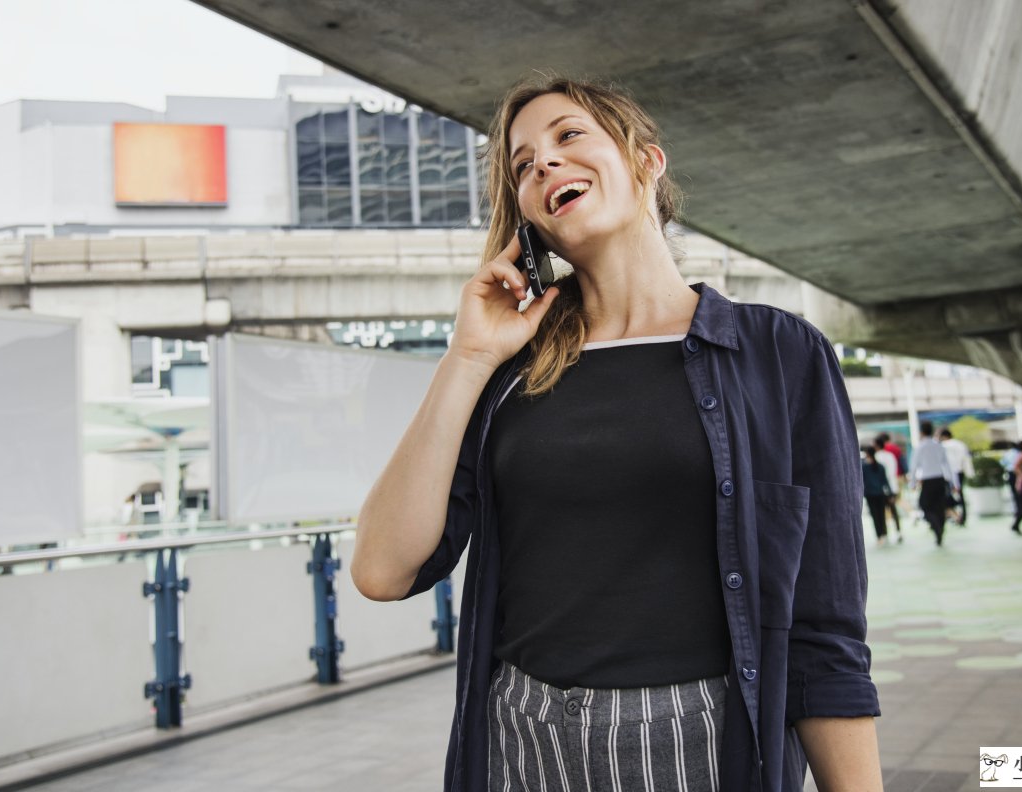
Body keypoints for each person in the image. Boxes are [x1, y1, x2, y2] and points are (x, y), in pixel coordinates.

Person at [352, 75, 881, 792]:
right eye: (523, 163)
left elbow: (824, 625)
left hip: (695, 740)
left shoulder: (777, 353)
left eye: (569, 136)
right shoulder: (509, 370)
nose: (543, 164)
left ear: (645, 162)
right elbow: (383, 571)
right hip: (521, 739)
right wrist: (468, 357)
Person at [908, 420, 957, 547]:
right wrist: (953, 482)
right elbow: (947, 465)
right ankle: (940, 530)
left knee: (924, 505)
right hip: (940, 479)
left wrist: (912, 483)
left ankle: (936, 528)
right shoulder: (939, 445)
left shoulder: (920, 447)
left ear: (921, 432)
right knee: (939, 507)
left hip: (928, 481)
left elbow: (914, 467)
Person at [939, 427, 974, 525]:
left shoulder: (943, 445)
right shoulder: (960, 444)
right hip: (960, 472)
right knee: (960, 494)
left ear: (944, 436)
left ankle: (954, 516)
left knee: (948, 496)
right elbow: (966, 459)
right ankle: (962, 517)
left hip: (948, 475)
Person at [874, 435, 904, 542]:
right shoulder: (890, 456)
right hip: (892, 486)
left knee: (882, 512)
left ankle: (884, 534)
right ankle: (899, 532)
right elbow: (894, 470)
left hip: (881, 489)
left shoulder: (876, 456)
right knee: (893, 510)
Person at [862, 445, 894, 546]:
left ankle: (879, 536)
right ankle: (884, 534)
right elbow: (885, 481)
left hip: (870, 495)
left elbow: (862, 482)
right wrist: (890, 493)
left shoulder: (863, 467)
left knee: (875, 516)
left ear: (867, 454)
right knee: (881, 514)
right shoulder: (880, 466)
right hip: (880, 494)